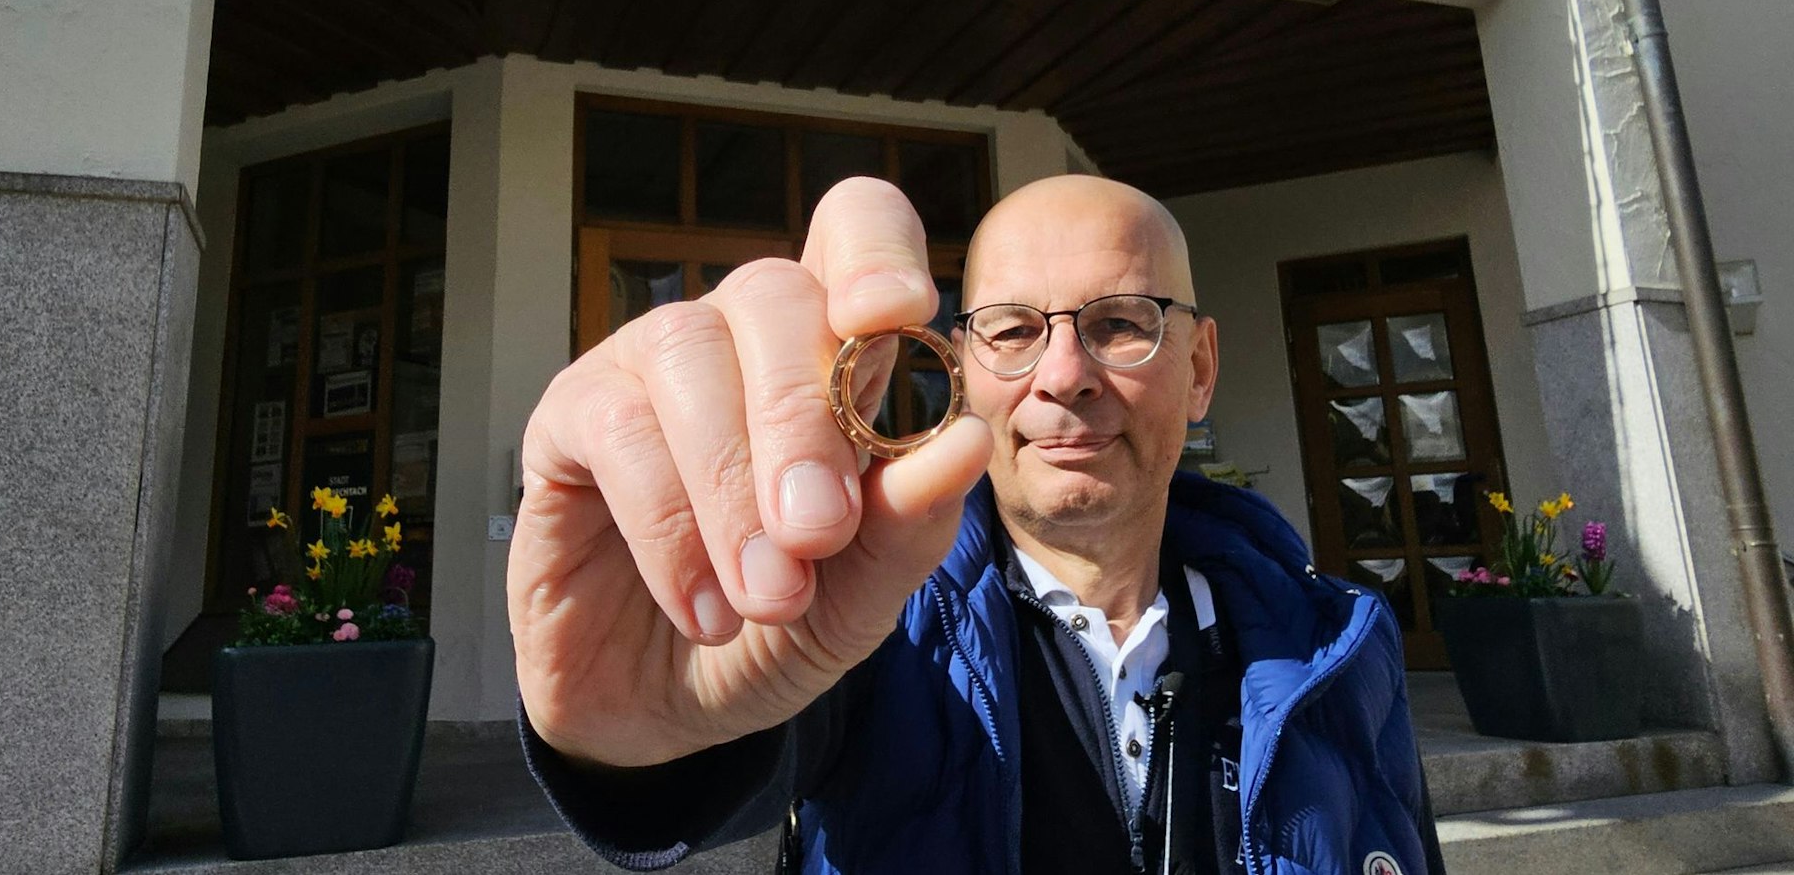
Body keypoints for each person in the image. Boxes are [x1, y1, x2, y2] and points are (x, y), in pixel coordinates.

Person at [510, 175, 1445, 875]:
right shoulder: (862, 630)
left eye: (1122, 322)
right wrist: (632, 737)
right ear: (960, 364)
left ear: (1199, 367)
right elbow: (724, 751)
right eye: (1013, 329)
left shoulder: (1341, 644)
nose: (1064, 374)